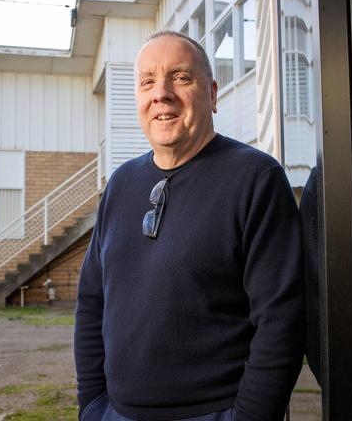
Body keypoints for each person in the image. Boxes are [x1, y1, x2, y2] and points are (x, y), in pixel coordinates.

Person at [74, 31, 305, 421]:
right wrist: (93, 406)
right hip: (115, 413)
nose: (161, 93)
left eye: (180, 77)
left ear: (212, 95)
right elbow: (92, 303)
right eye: (148, 81)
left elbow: (281, 322)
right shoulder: (120, 185)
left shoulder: (255, 178)